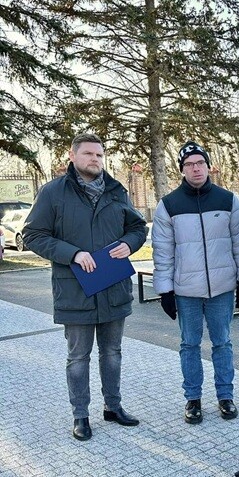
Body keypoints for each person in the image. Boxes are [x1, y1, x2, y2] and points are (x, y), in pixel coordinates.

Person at [22, 133, 147, 441]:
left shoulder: (116, 191)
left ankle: (113, 407)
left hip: (113, 286)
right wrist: (73, 254)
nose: (95, 159)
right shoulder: (52, 193)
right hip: (75, 290)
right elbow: (33, 235)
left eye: (99, 155)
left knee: (113, 352)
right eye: (89, 154)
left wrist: (129, 245)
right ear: (73, 155)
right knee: (78, 357)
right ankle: (80, 415)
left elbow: (137, 227)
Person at [151, 141, 239, 424]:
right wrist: (165, 290)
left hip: (222, 287)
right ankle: (193, 399)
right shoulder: (169, 205)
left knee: (222, 343)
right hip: (186, 291)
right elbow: (163, 251)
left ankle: (225, 397)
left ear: (208, 166)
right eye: (189, 165)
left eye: (200, 163)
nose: (196, 169)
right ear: (182, 170)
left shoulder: (228, 200)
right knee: (189, 345)